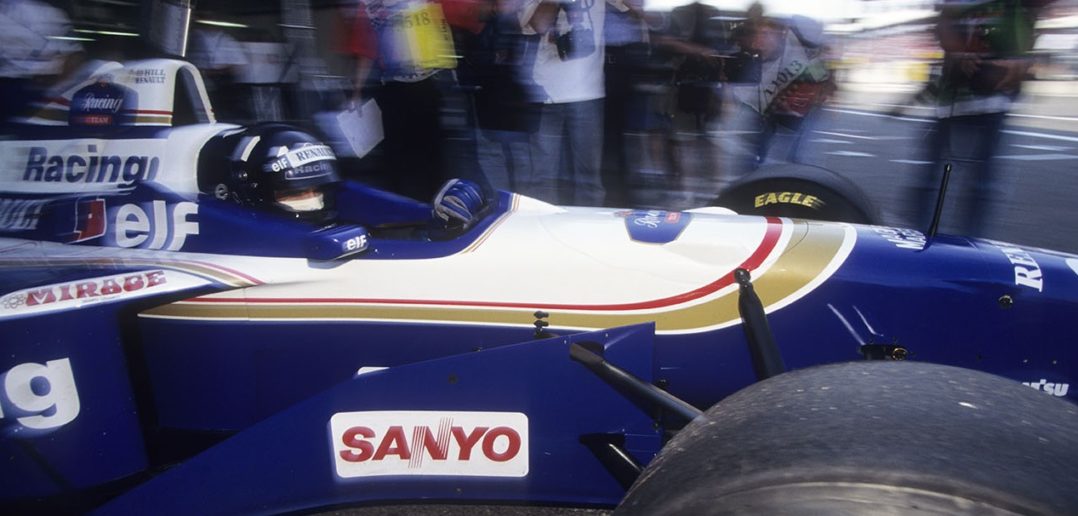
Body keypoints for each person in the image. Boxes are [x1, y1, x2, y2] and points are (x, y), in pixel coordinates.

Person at [904, 0, 1049, 236]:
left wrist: (1022, 58)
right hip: (956, 94)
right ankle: (922, 239)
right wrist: (959, 51)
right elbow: (944, 23)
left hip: (990, 96)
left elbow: (1033, 15)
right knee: (937, 180)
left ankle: (968, 245)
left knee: (973, 183)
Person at [347, 0, 487, 203]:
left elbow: (467, 14)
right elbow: (366, 50)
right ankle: (409, 207)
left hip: (428, 85)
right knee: (404, 157)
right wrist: (357, 92)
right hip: (399, 89)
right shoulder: (370, 4)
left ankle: (428, 206)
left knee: (426, 155)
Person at [518, 0, 606, 205]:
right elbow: (539, 24)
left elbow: (642, 9)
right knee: (542, 179)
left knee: (589, 181)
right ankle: (543, 234)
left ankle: (588, 233)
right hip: (546, 92)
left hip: (589, 90)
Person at [0, 0, 82, 123]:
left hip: (36, 88)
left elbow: (74, 55)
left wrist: (57, 89)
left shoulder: (49, 14)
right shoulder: (50, 13)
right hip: (10, 84)